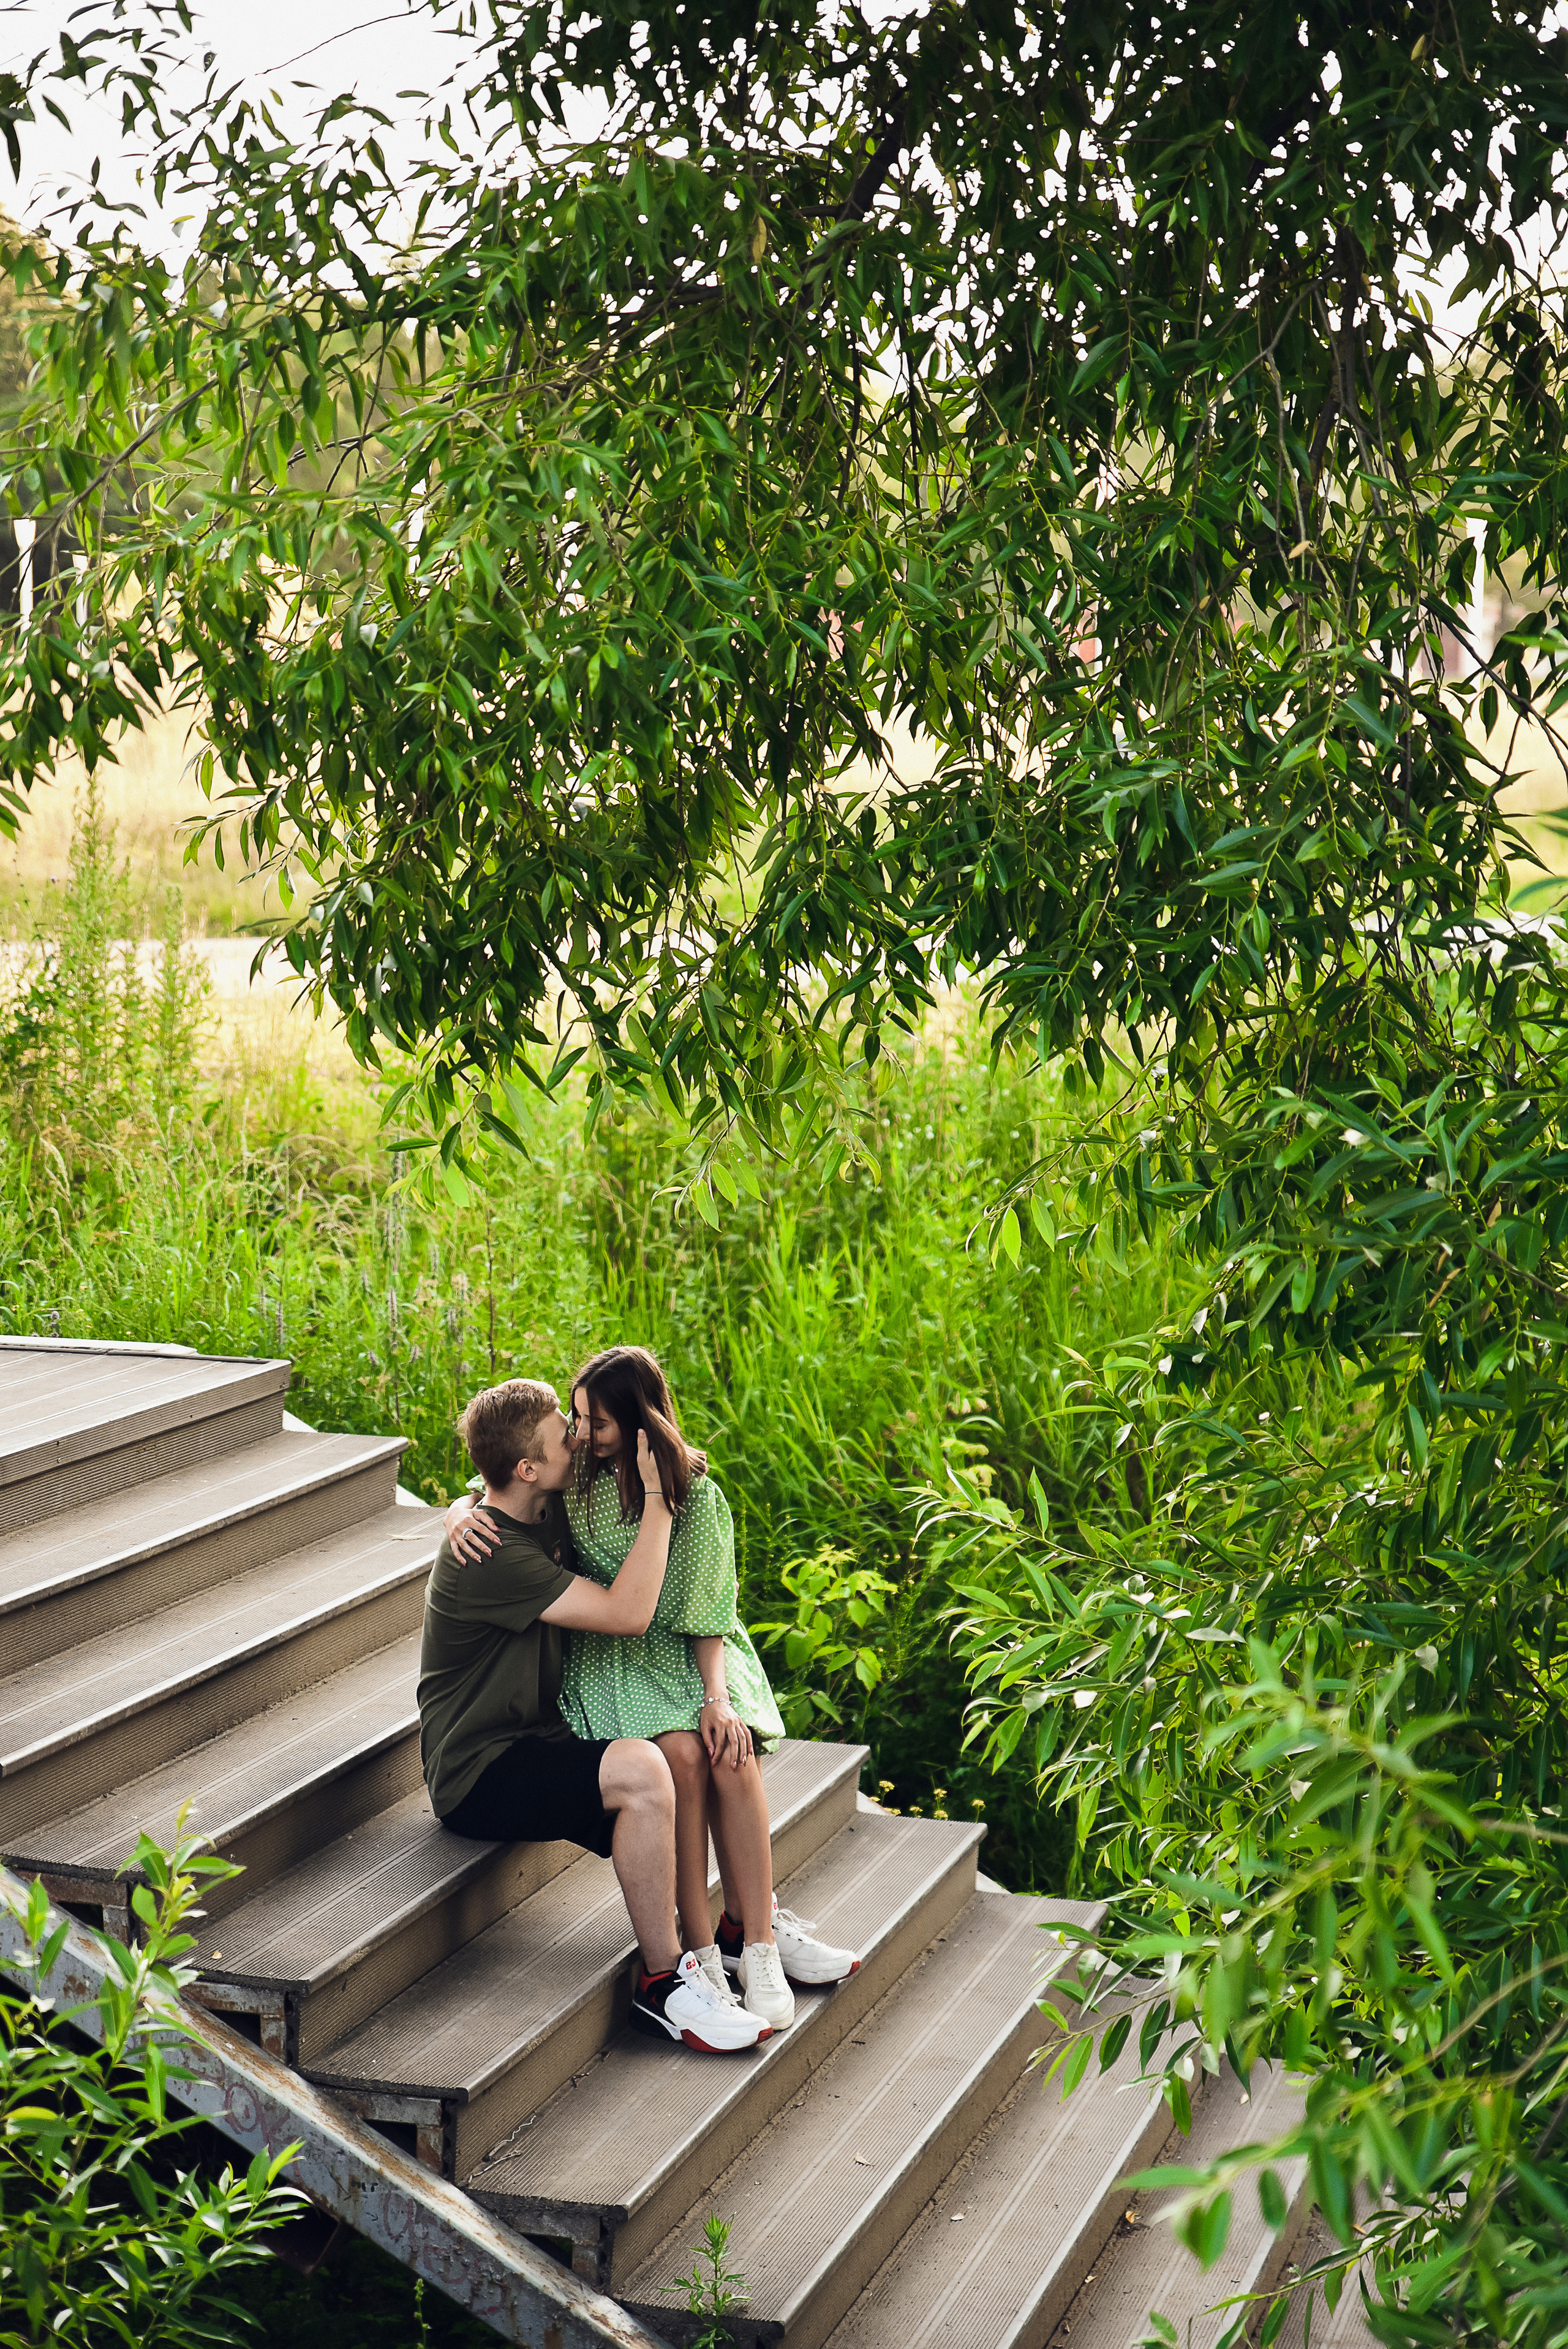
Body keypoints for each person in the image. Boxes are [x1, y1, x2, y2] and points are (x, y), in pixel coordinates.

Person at [443, 1345, 858, 2034]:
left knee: (728, 1750)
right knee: (680, 1759)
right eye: (570, 1424)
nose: (577, 1437)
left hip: (686, 1653)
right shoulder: (568, 1491)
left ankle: (754, 1936)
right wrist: (457, 1511)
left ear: (638, 1425)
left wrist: (716, 1697)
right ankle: (695, 1953)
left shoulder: (682, 1493)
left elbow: (706, 1606)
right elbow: (502, 1491)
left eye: (591, 1423)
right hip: (608, 1665)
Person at [420, 1377, 769, 2054]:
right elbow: (629, 1616)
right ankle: (665, 1983)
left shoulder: (536, 1505)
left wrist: (460, 1503)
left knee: (668, 1755)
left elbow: (493, 1478)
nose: (576, 1437)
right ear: (528, 1469)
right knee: (643, 1768)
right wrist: (663, 1502)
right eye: (563, 1433)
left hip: (541, 1736)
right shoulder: (491, 1553)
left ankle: (736, 1933)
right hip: (479, 1769)